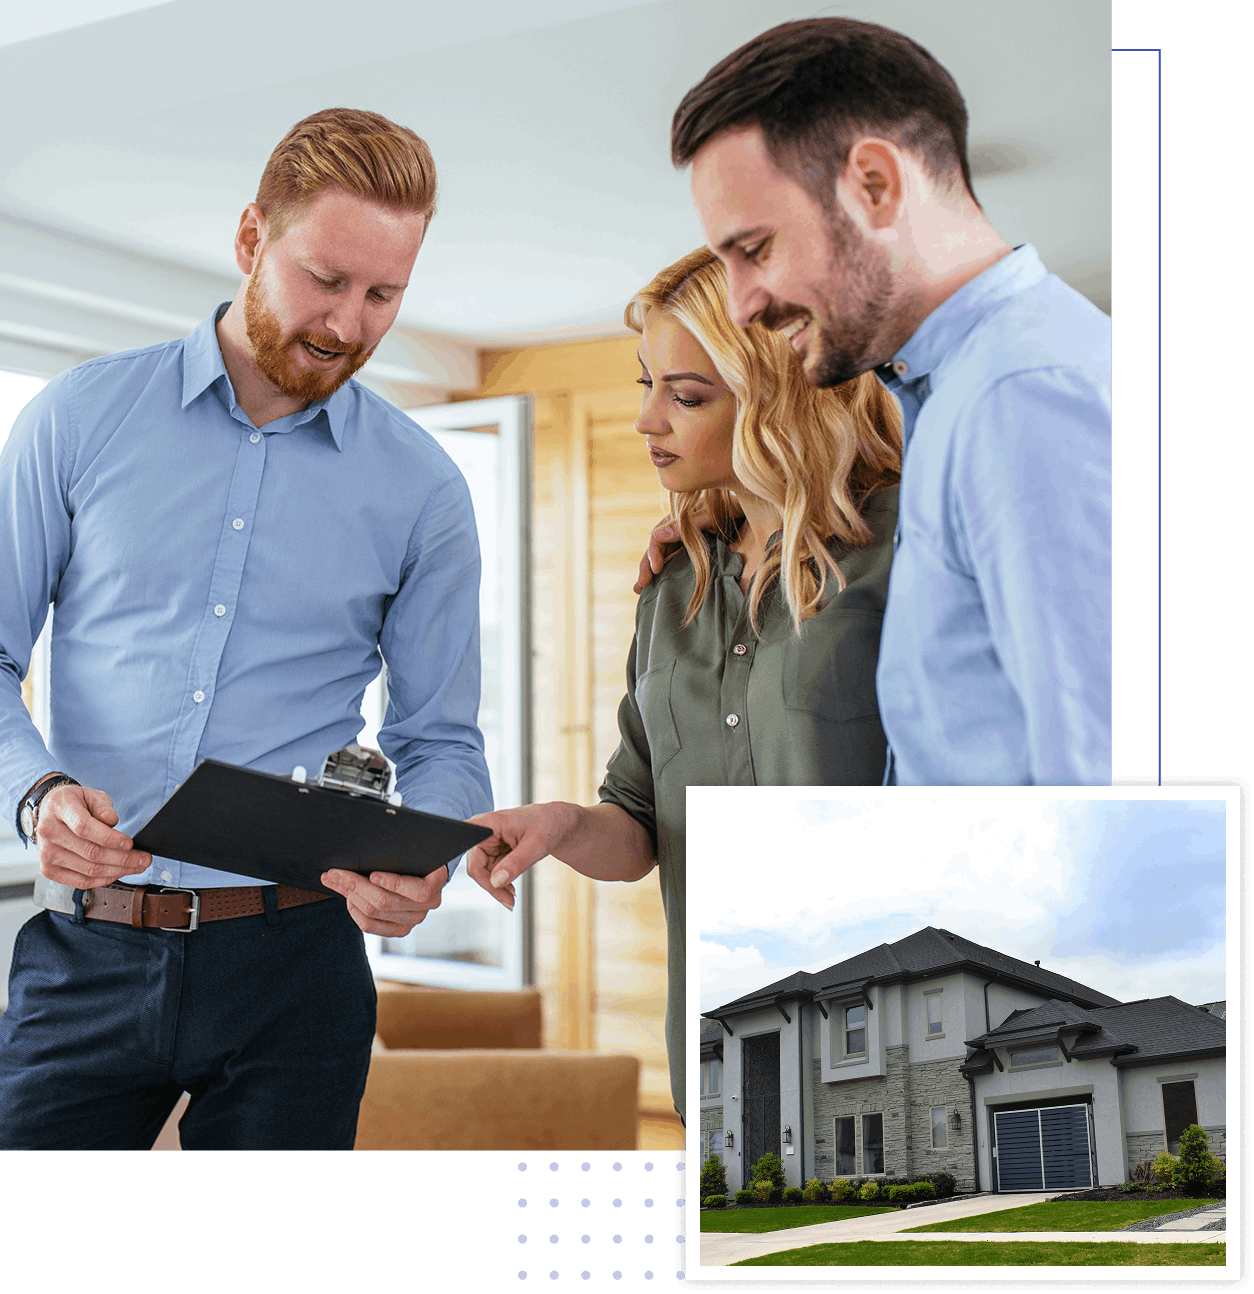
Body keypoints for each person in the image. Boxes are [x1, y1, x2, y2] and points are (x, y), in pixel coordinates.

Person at [0, 108, 492, 1150]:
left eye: (384, 295)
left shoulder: (424, 489)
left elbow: (440, 739)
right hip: (85, 955)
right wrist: (33, 792)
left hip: (296, 969)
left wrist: (425, 862)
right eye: (326, 278)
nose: (350, 324)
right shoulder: (77, 419)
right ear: (248, 240)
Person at [463, 246, 902, 1126]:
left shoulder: (912, 543)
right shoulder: (673, 586)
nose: (646, 420)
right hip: (718, 1032)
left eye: (689, 395)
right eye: (646, 384)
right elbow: (639, 826)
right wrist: (562, 826)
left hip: (873, 1011)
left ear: (780, 400)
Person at [640, 17, 1111, 785]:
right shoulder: (959, 395)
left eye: (755, 250)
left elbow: (1104, 789)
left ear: (876, 184)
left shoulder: (1021, 398)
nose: (745, 302)